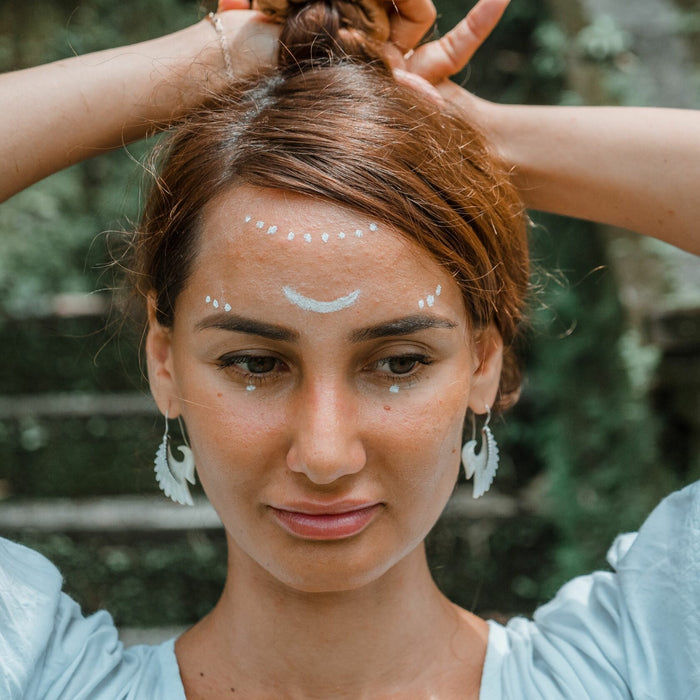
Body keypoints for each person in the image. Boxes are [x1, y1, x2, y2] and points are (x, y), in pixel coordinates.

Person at [1, 0, 698, 698]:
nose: (327, 454)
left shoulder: (646, 659)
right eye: (255, 363)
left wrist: (475, 137)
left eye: (399, 362)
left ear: (484, 361)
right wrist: (214, 60)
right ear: (164, 363)